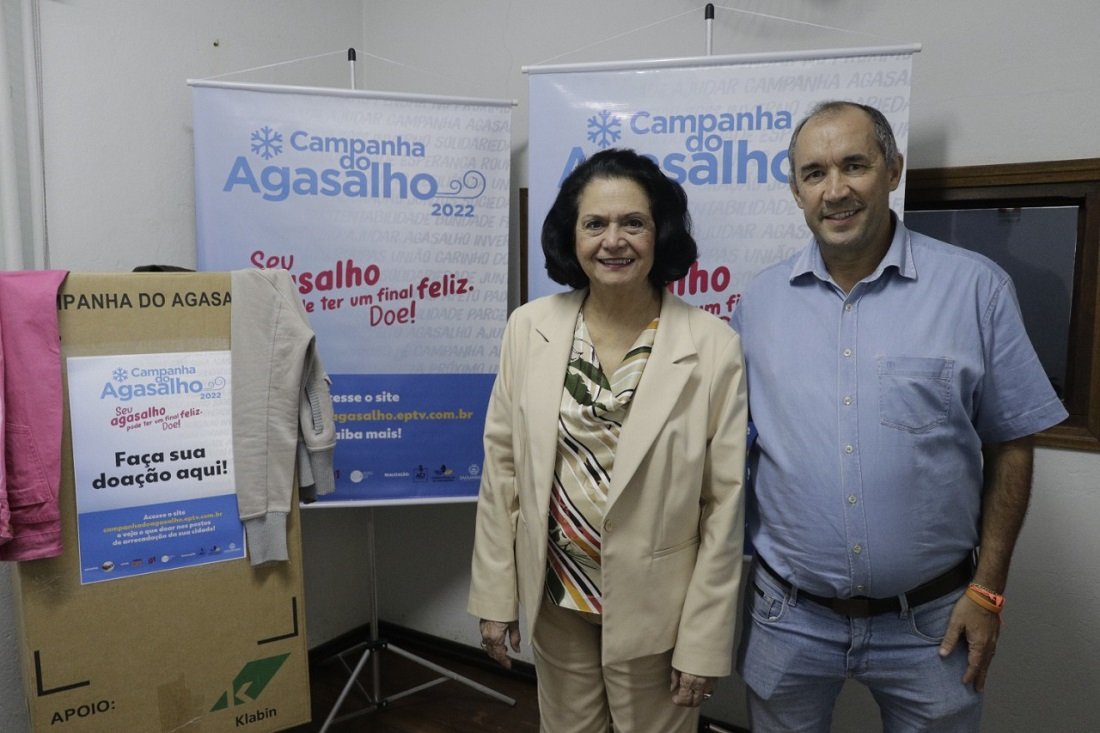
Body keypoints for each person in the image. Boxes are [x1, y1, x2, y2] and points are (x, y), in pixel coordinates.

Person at [730, 100, 1068, 732]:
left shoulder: (976, 290)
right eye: (814, 173)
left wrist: (988, 592)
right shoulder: (760, 303)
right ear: (795, 190)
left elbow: (1011, 446)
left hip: (934, 620)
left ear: (893, 169)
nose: (835, 190)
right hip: (789, 615)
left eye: (854, 165)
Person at [468, 148, 748, 732]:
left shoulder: (712, 345)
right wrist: (495, 598)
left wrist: (702, 640)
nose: (612, 241)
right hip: (556, 597)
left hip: (659, 612)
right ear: (571, 236)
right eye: (595, 223)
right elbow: (503, 471)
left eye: (633, 223)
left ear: (660, 233)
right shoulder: (530, 327)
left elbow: (723, 506)